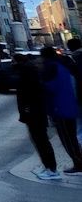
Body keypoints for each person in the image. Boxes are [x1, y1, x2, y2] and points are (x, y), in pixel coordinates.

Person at [14, 53, 61, 181]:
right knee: (41, 140)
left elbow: (26, 95)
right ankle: (49, 167)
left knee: (41, 141)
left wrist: (27, 110)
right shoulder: (32, 73)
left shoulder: (27, 74)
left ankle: (51, 169)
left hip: (34, 113)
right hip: (36, 112)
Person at [40, 46, 82, 174]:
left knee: (67, 139)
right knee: (72, 137)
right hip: (70, 105)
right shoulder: (64, 64)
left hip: (60, 108)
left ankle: (78, 163)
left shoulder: (50, 68)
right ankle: (78, 160)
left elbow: (50, 88)